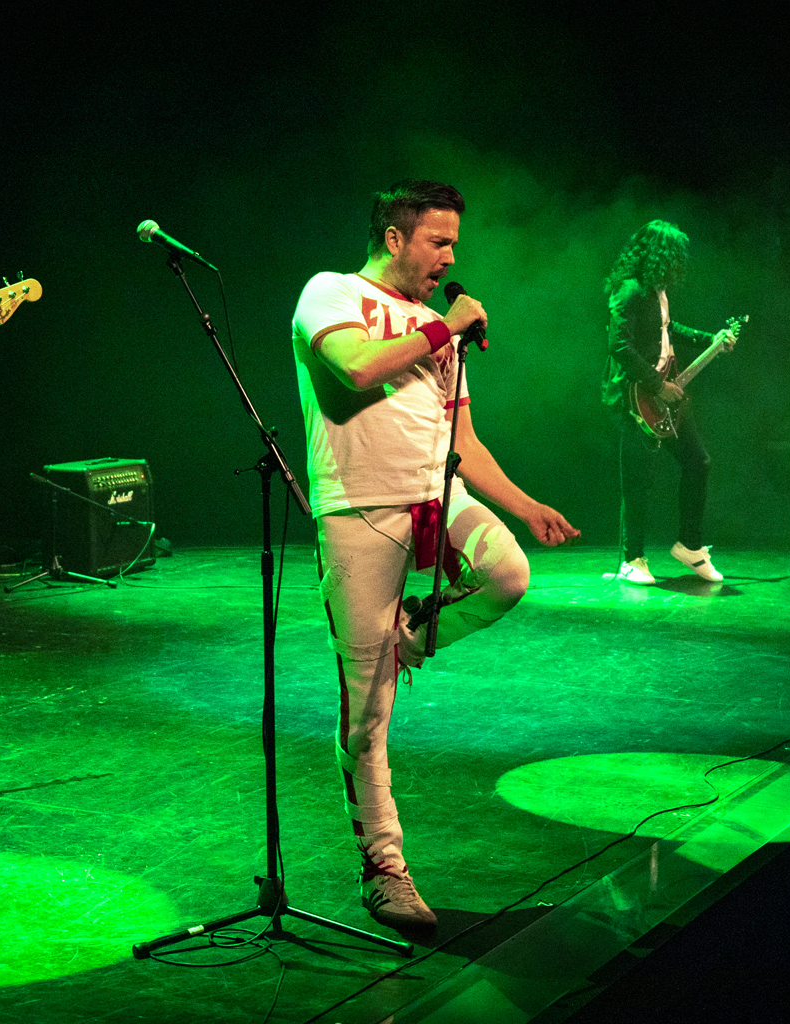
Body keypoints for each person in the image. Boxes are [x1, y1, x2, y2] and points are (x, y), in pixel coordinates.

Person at [291, 180, 580, 932]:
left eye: (454, 243)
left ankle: (409, 638)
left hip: (434, 496)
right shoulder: (331, 292)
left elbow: (464, 443)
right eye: (438, 242)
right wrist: (443, 328)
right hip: (358, 509)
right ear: (394, 238)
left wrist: (526, 506)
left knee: (507, 574)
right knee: (368, 714)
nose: (450, 258)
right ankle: (383, 867)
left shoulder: (437, 328)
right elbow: (356, 368)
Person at [601, 220, 736, 585]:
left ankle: (690, 546)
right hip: (634, 398)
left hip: (663, 395)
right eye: (675, 255)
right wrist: (657, 385)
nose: (680, 262)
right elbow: (620, 345)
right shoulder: (629, 289)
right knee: (638, 479)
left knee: (697, 462)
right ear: (659, 253)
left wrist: (711, 340)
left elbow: (667, 329)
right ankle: (632, 559)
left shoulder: (657, 291)